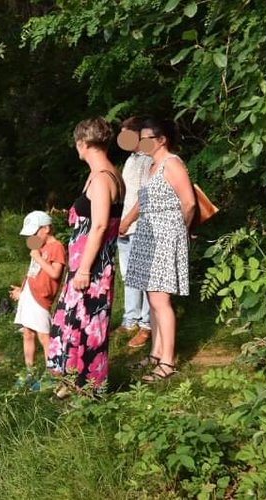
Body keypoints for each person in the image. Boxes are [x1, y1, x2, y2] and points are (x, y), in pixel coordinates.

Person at [48, 117, 125, 399]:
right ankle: (73, 381)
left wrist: (83, 269)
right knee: (75, 324)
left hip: (92, 268)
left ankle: (90, 390)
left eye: (76, 144)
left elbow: (101, 225)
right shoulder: (100, 174)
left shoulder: (104, 177)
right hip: (84, 263)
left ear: (83, 143)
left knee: (90, 326)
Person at [125, 118, 195, 383]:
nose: (141, 143)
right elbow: (143, 203)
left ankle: (167, 362)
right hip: (147, 236)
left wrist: (180, 231)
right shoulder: (151, 166)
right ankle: (155, 353)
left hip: (165, 236)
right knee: (151, 299)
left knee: (160, 301)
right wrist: (127, 222)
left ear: (161, 139)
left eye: (146, 138)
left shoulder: (172, 163)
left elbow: (188, 203)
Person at [10, 211, 65, 390]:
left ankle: (53, 374)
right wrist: (22, 289)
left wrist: (38, 257)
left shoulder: (56, 247)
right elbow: (32, 272)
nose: (32, 237)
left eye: (35, 232)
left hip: (42, 298)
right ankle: (29, 371)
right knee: (27, 333)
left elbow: (55, 273)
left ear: (46, 228)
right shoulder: (38, 247)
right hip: (29, 295)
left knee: (43, 335)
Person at [114, 116, 154, 348]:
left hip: (141, 225)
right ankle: (130, 320)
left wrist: (128, 220)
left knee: (145, 277)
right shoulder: (131, 159)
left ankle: (147, 325)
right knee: (129, 276)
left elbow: (146, 194)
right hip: (125, 227)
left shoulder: (149, 158)